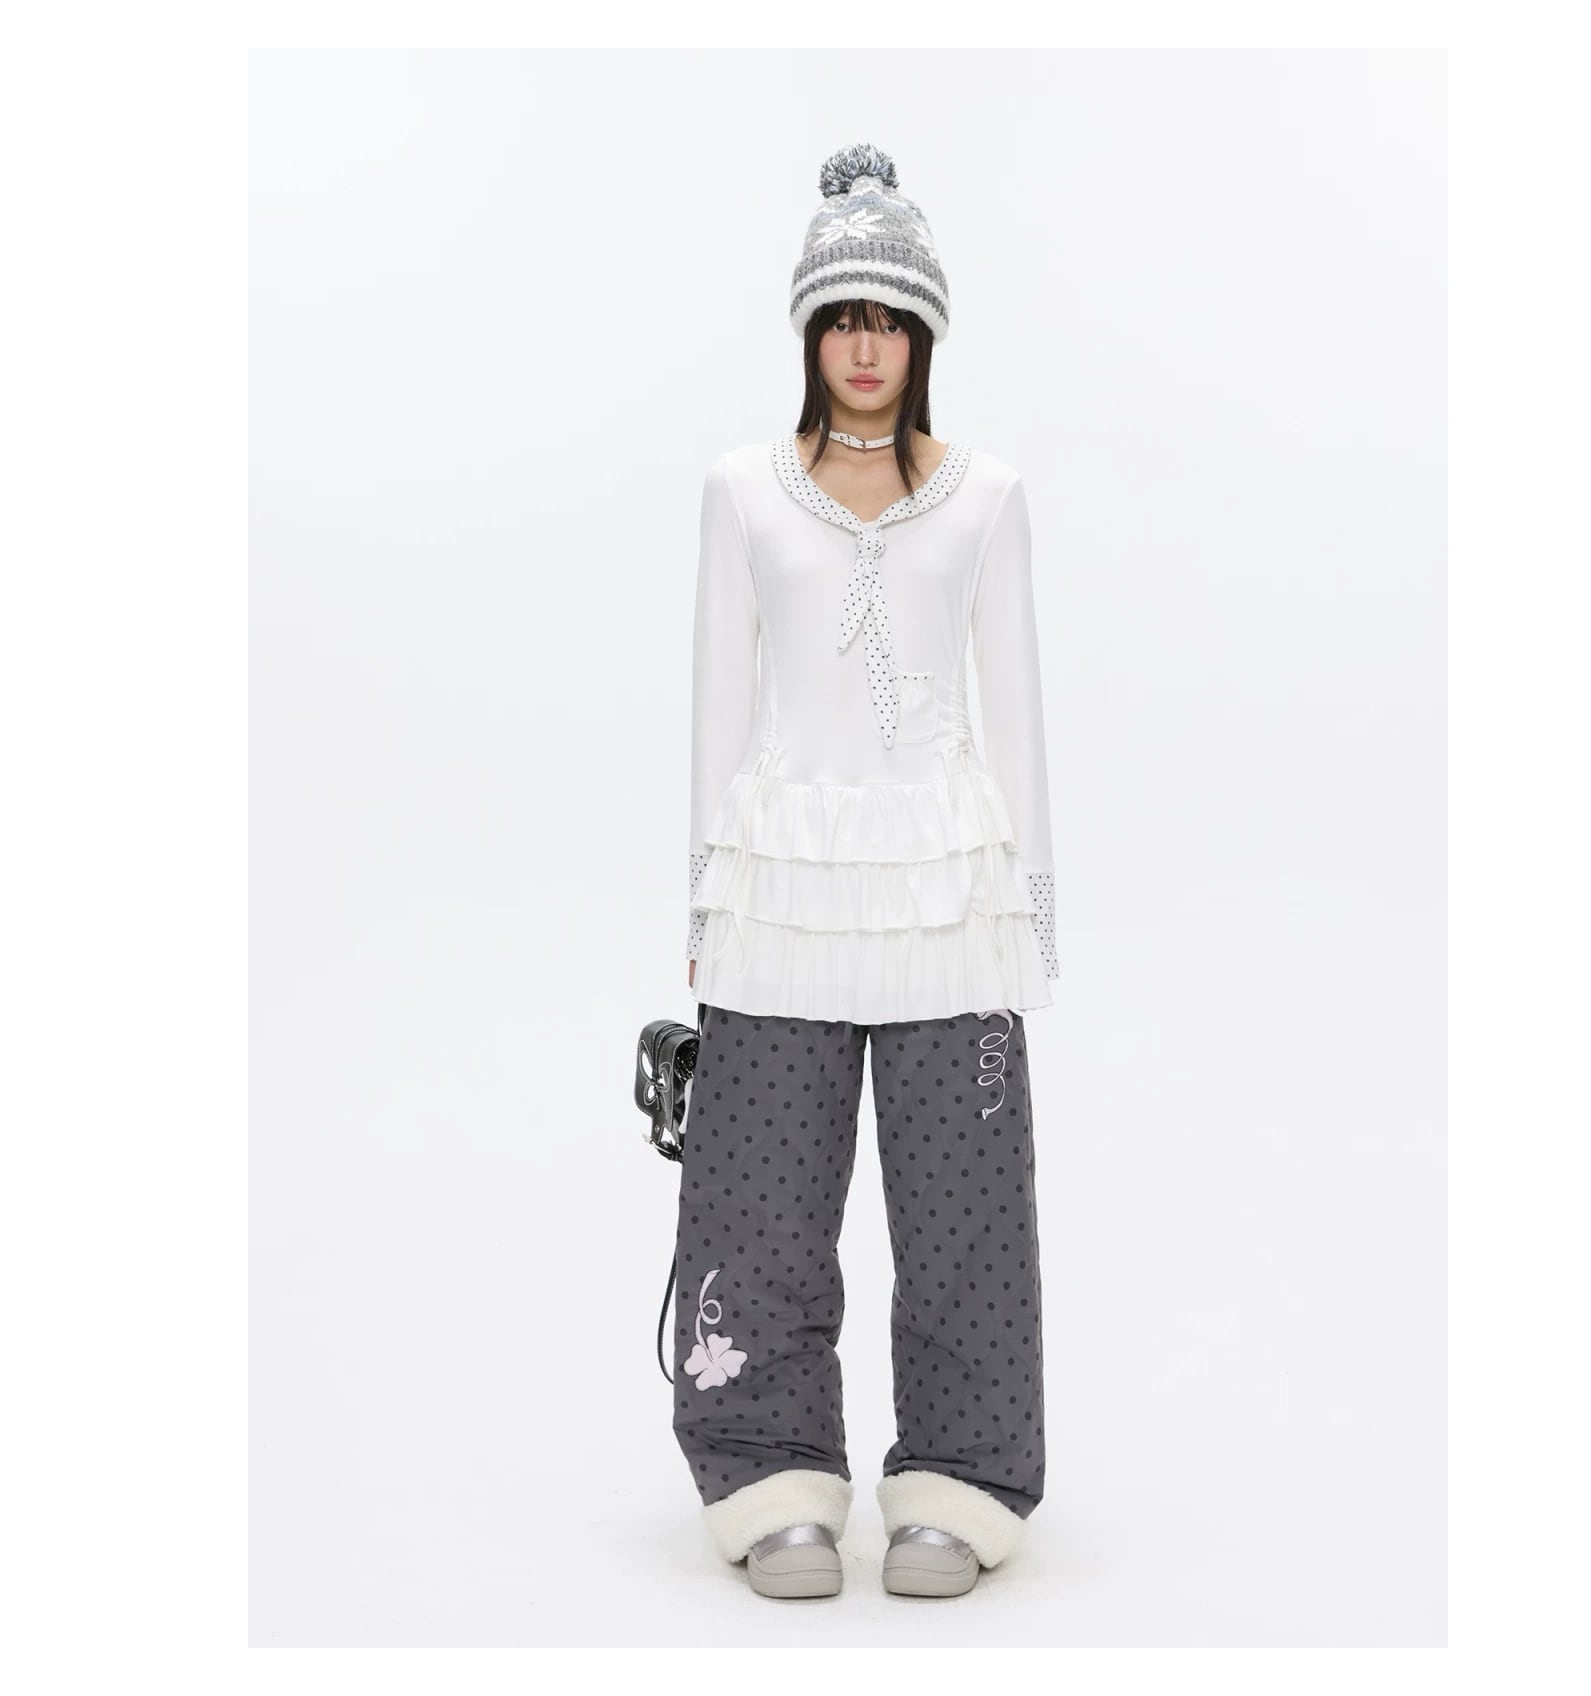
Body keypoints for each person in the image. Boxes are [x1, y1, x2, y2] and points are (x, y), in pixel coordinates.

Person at [673, 142, 1059, 1600]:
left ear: (923, 337)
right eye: (840, 320)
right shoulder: (742, 490)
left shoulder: (988, 494)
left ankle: (961, 1480)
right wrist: (702, 902)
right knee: (761, 1200)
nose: (864, 347)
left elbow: (1017, 710)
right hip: (781, 889)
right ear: (809, 333)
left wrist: (1033, 915)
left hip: (948, 894)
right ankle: (769, 1475)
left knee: (963, 1207)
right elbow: (719, 705)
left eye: (889, 321)